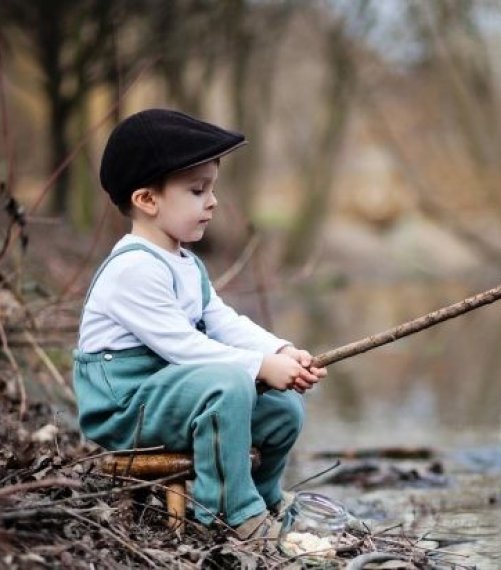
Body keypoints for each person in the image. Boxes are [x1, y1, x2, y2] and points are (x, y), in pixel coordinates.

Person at [73, 108, 327, 540]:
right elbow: (183, 347)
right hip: (126, 406)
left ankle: (264, 499)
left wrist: (279, 351)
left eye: (212, 189)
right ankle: (231, 511)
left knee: (283, 408)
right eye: (197, 190)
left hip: (170, 392)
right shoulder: (133, 268)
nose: (212, 201)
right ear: (147, 200)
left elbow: (222, 321)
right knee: (228, 385)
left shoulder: (185, 263)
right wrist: (258, 367)